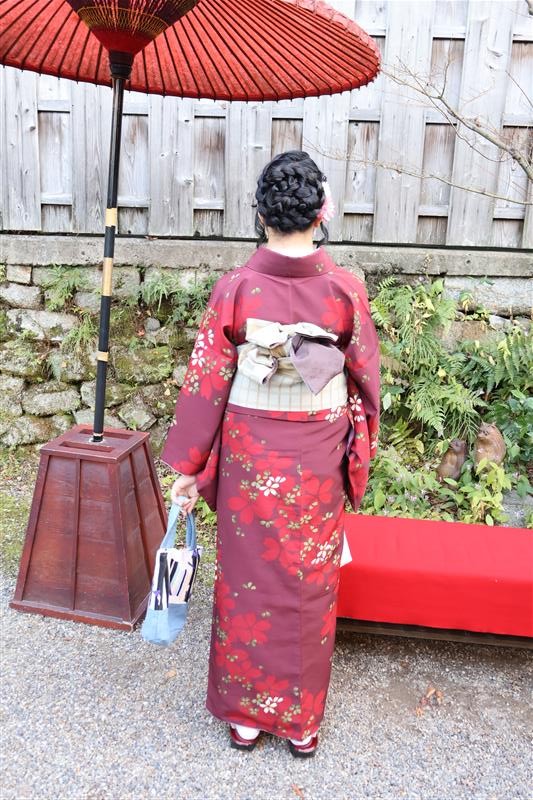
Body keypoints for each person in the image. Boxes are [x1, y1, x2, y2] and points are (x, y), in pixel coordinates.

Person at [160, 150, 380, 758]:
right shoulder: (344, 290)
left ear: (260, 214)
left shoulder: (237, 288)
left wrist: (189, 468)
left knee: (247, 578)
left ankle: (247, 719)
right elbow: (365, 383)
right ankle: (301, 723)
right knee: (309, 582)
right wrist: (357, 451)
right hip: (317, 459)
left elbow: (206, 383)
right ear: (322, 212)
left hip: (250, 456)